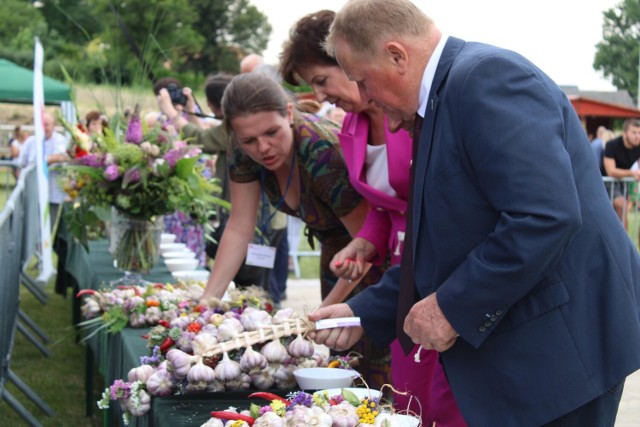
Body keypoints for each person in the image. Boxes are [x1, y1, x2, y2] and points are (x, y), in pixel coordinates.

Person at [308, 0, 640, 426]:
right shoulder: (445, 95)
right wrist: (365, 311)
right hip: (537, 348)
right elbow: (448, 240)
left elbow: (543, 216)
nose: (363, 97)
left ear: (396, 55)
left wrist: (450, 308)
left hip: (563, 349)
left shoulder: (486, 78)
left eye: (363, 81)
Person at [279, 9, 464, 426]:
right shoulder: (351, 128)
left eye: (322, 80)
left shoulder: (417, 118)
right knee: (408, 393)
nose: (320, 95)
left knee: (444, 397)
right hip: (400, 277)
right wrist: (364, 241)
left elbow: (422, 207)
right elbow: (383, 207)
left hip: (433, 270)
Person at [201, 72, 391, 389]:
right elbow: (238, 226)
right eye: (249, 140)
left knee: (373, 364)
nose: (262, 147)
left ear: (289, 113)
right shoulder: (242, 148)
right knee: (341, 357)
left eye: (272, 132)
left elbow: (367, 245)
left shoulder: (322, 152)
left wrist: (320, 312)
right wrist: (207, 304)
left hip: (373, 259)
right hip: (334, 256)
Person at [18, 111, 68, 224]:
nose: (43, 128)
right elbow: (21, 164)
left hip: (53, 196)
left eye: (46, 124)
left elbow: (60, 156)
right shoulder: (30, 141)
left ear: (53, 126)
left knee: (50, 228)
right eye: (41, 124)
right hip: (33, 195)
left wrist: (39, 163)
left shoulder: (60, 140)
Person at [602, 118, 640, 230]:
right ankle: (623, 244)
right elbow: (611, 171)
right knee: (621, 206)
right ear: (625, 133)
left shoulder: (638, 146)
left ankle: (623, 244)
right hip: (606, 181)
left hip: (624, 182)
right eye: (634, 132)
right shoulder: (612, 145)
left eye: (639, 133)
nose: (637, 136)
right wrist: (632, 173)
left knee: (622, 212)